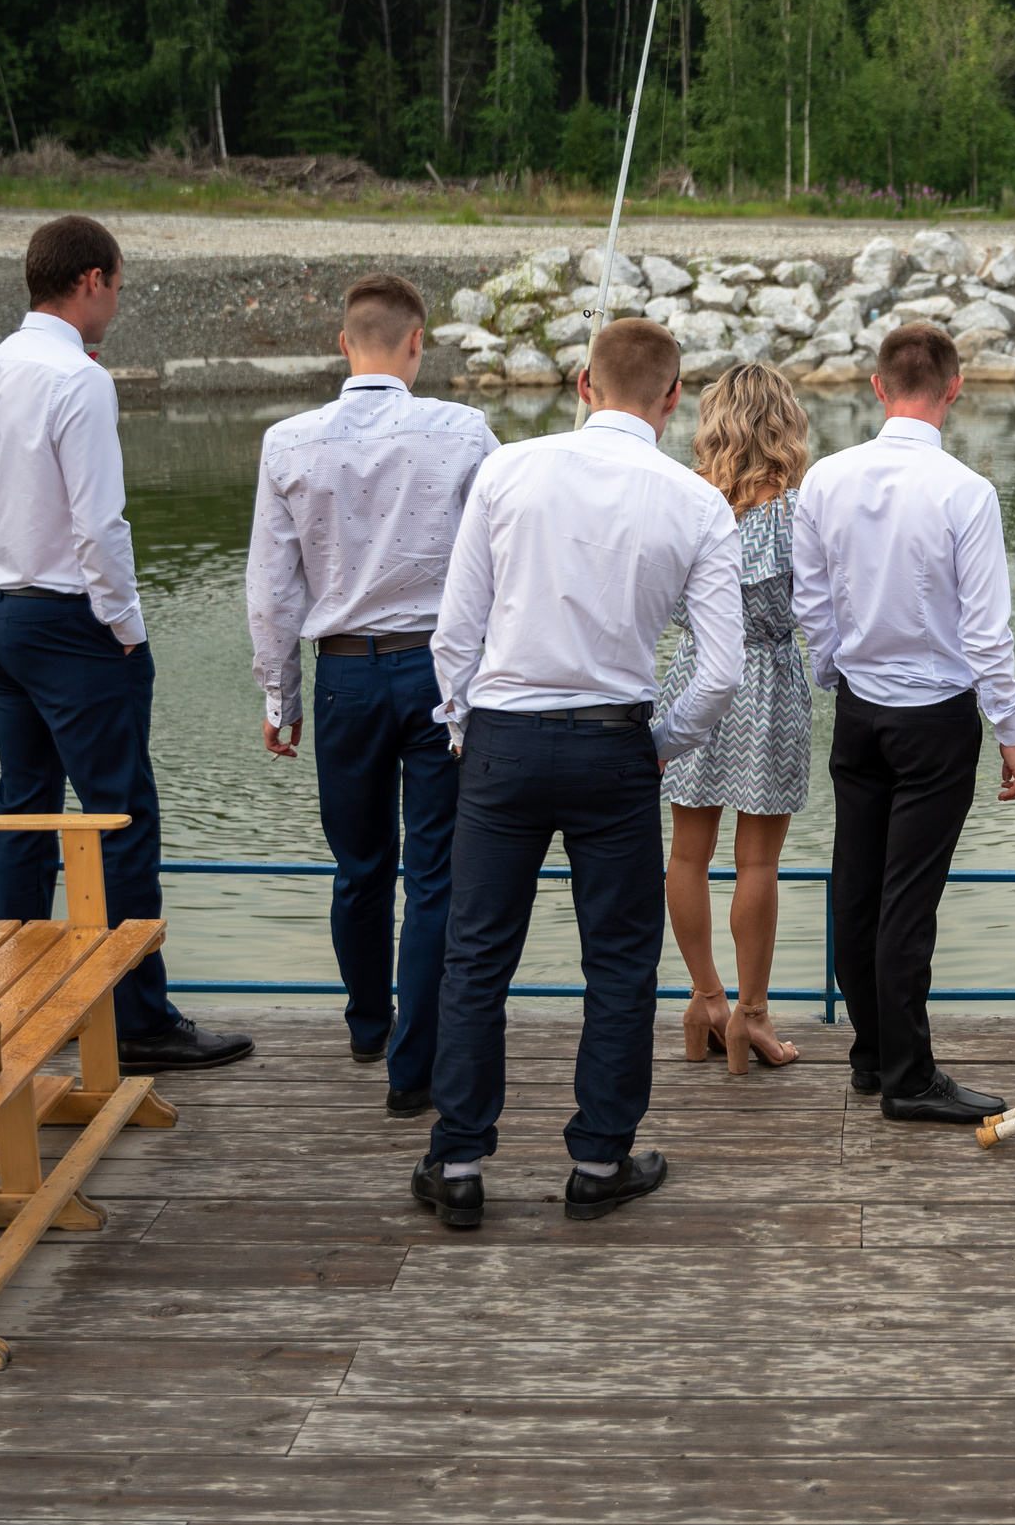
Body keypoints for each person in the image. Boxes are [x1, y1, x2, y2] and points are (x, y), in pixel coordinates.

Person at [414, 318, 742, 1230]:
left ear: (583, 384)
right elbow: (721, 670)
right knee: (621, 961)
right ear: (673, 397)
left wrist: (462, 727)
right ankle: (599, 1159)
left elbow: (454, 633)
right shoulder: (697, 502)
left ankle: (460, 1161)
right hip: (615, 746)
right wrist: (660, 744)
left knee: (477, 954)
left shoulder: (507, 470)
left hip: (503, 741)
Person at [0, 214, 252, 1075]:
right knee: (120, 815)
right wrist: (125, 626)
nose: (118, 301)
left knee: (26, 808)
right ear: (90, 281)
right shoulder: (79, 380)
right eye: (118, 285)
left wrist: (4, 567)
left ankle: (14, 1002)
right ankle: (138, 1019)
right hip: (69, 623)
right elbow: (100, 526)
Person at [246, 273, 498, 1118]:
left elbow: (271, 588)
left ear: (343, 343)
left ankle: (366, 1024)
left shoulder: (287, 441)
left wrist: (279, 696)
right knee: (433, 874)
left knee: (359, 866)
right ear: (417, 342)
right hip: (438, 672)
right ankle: (413, 1065)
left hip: (343, 674)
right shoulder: (464, 431)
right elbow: (500, 558)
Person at [791, 323, 1015, 1124]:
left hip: (859, 710)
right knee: (908, 901)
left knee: (858, 888)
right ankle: (908, 1075)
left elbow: (812, 601)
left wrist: (835, 672)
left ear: (877, 386)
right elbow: (986, 632)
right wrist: (1010, 731)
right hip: (935, 718)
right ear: (954, 388)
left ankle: (872, 1053)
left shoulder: (825, 479)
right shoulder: (967, 492)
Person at [660, 363, 814, 1074]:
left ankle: (705, 1000)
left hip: (697, 674)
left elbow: (665, 603)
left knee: (687, 854)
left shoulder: (688, 503)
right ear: (785, 425)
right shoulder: (797, 513)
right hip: (771, 681)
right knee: (758, 860)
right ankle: (751, 1015)